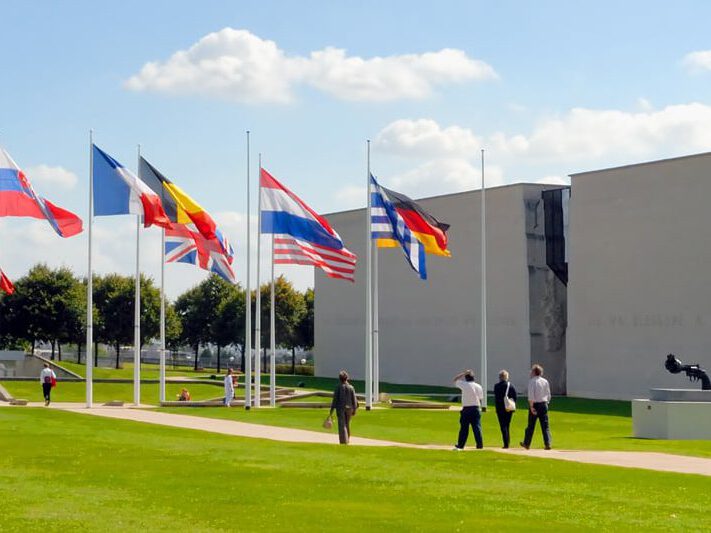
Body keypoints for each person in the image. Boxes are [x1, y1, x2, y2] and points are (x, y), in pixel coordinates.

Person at [521, 364, 552, 450]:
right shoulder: (545, 381)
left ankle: (527, 443)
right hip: (544, 403)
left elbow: (531, 395)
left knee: (531, 425)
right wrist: (547, 403)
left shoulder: (532, 381)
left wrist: (531, 406)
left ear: (534, 372)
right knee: (545, 426)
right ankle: (548, 443)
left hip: (536, 404)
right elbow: (548, 394)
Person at [453, 369, 484, 450]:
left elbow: (455, 380)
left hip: (466, 408)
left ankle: (461, 445)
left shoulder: (464, 384)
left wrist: (463, 373)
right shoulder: (478, 386)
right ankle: (480, 445)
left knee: (464, 428)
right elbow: (480, 398)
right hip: (476, 408)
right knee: (477, 428)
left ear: (466, 378)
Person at [329, 370, 358, 444]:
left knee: (342, 425)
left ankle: (344, 441)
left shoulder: (338, 387)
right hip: (349, 408)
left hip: (341, 408)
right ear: (347, 378)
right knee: (347, 424)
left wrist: (331, 410)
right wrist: (355, 409)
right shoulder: (351, 387)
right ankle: (347, 439)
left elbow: (335, 399)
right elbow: (354, 399)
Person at [493, 370, 517, 448]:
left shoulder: (496, 386)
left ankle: (506, 443)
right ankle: (507, 441)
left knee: (503, 425)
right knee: (507, 424)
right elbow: (514, 397)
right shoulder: (511, 386)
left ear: (500, 377)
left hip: (500, 408)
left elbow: (496, 397)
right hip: (508, 408)